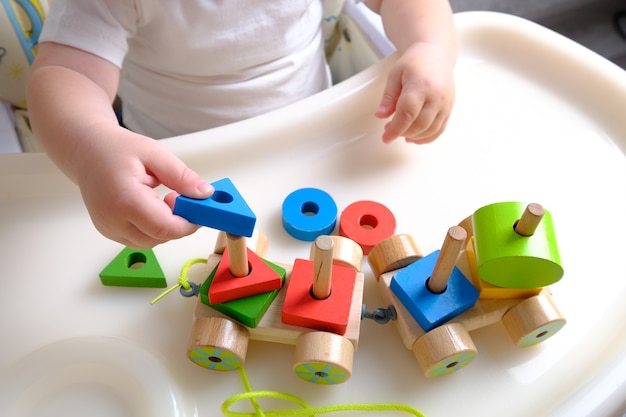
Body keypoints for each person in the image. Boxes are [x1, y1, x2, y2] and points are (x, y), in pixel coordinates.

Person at [27, 0, 457, 249]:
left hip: (321, 148)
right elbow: (68, 74)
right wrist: (88, 148)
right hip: (182, 179)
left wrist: (429, 46)